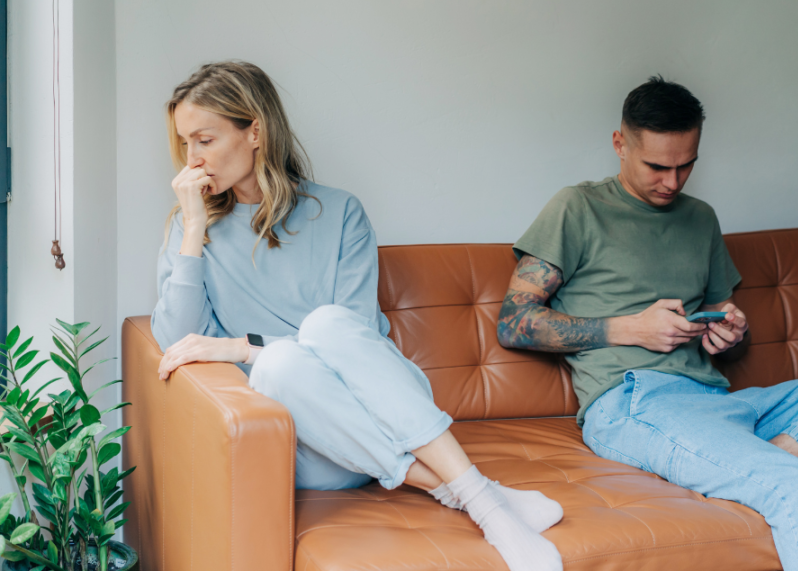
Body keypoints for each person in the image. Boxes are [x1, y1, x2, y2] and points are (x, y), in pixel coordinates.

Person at [150, 61, 564, 571]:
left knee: (325, 325)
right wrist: (193, 228)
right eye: (185, 143)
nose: (193, 160)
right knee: (279, 367)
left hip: (383, 409)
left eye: (205, 140)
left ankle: (479, 502)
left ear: (254, 130)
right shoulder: (192, 229)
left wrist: (242, 347)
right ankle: (482, 497)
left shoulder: (339, 212)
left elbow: (353, 339)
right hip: (304, 438)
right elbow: (177, 340)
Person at [497, 75, 798, 571]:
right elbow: (513, 322)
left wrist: (729, 333)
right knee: (794, 485)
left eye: (686, 165)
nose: (672, 181)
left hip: (717, 401)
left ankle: (776, 450)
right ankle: (764, 464)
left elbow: (726, 341)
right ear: (620, 144)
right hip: (632, 402)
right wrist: (630, 329)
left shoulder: (701, 218)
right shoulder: (577, 208)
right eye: (657, 166)